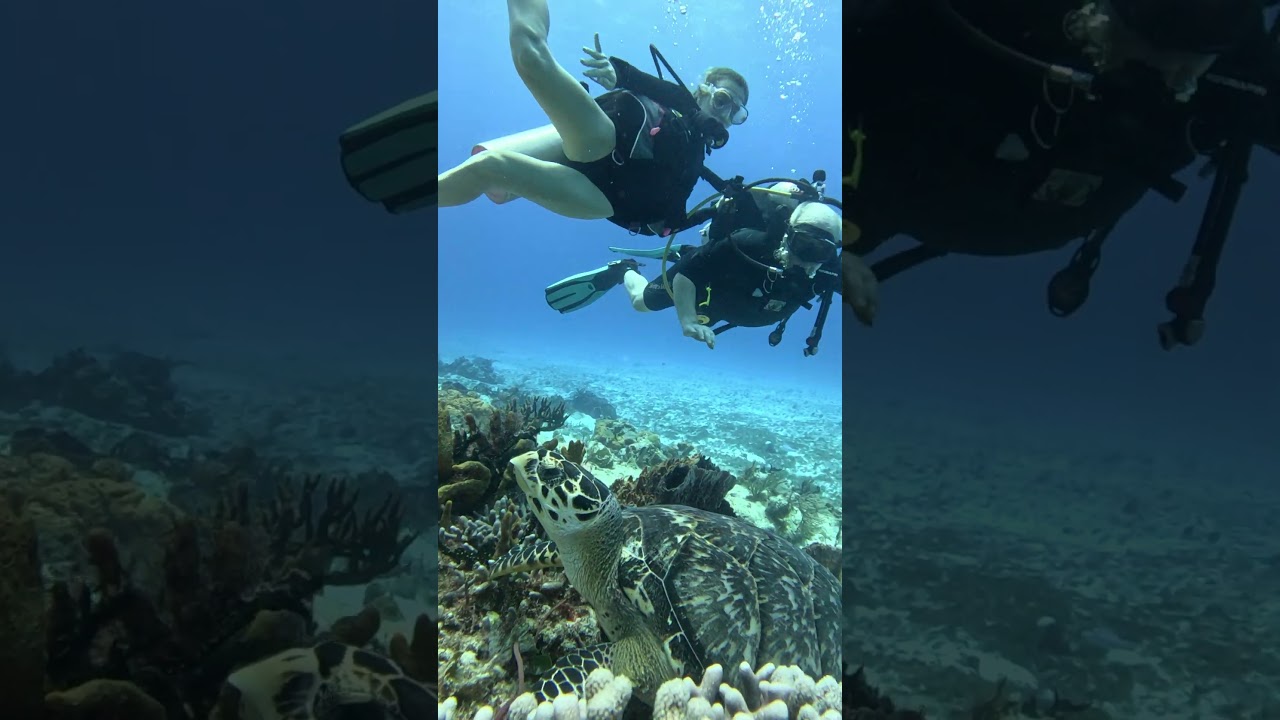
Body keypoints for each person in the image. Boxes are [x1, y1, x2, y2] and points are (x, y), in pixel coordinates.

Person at [842, 0, 1280, 350]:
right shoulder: (979, 16)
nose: (1167, 72)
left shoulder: (1238, 70)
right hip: (883, 200)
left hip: (1016, 214)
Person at [436, 0, 750, 237]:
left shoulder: (696, 161)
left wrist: (712, 213)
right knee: (531, 57)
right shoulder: (681, 100)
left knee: (488, 168)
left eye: (736, 113)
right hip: (600, 140)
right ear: (703, 93)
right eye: (722, 100)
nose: (725, 114)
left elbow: (667, 224)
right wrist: (618, 72)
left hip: (600, 198)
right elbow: (648, 84)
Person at [545, 182, 843, 351]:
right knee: (641, 303)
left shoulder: (827, 271)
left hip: (731, 304)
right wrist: (686, 319)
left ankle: (689, 252)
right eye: (803, 246)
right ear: (788, 235)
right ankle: (623, 270)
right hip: (704, 286)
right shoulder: (747, 243)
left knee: (700, 261)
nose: (807, 259)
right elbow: (689, 274)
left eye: (820, 252)